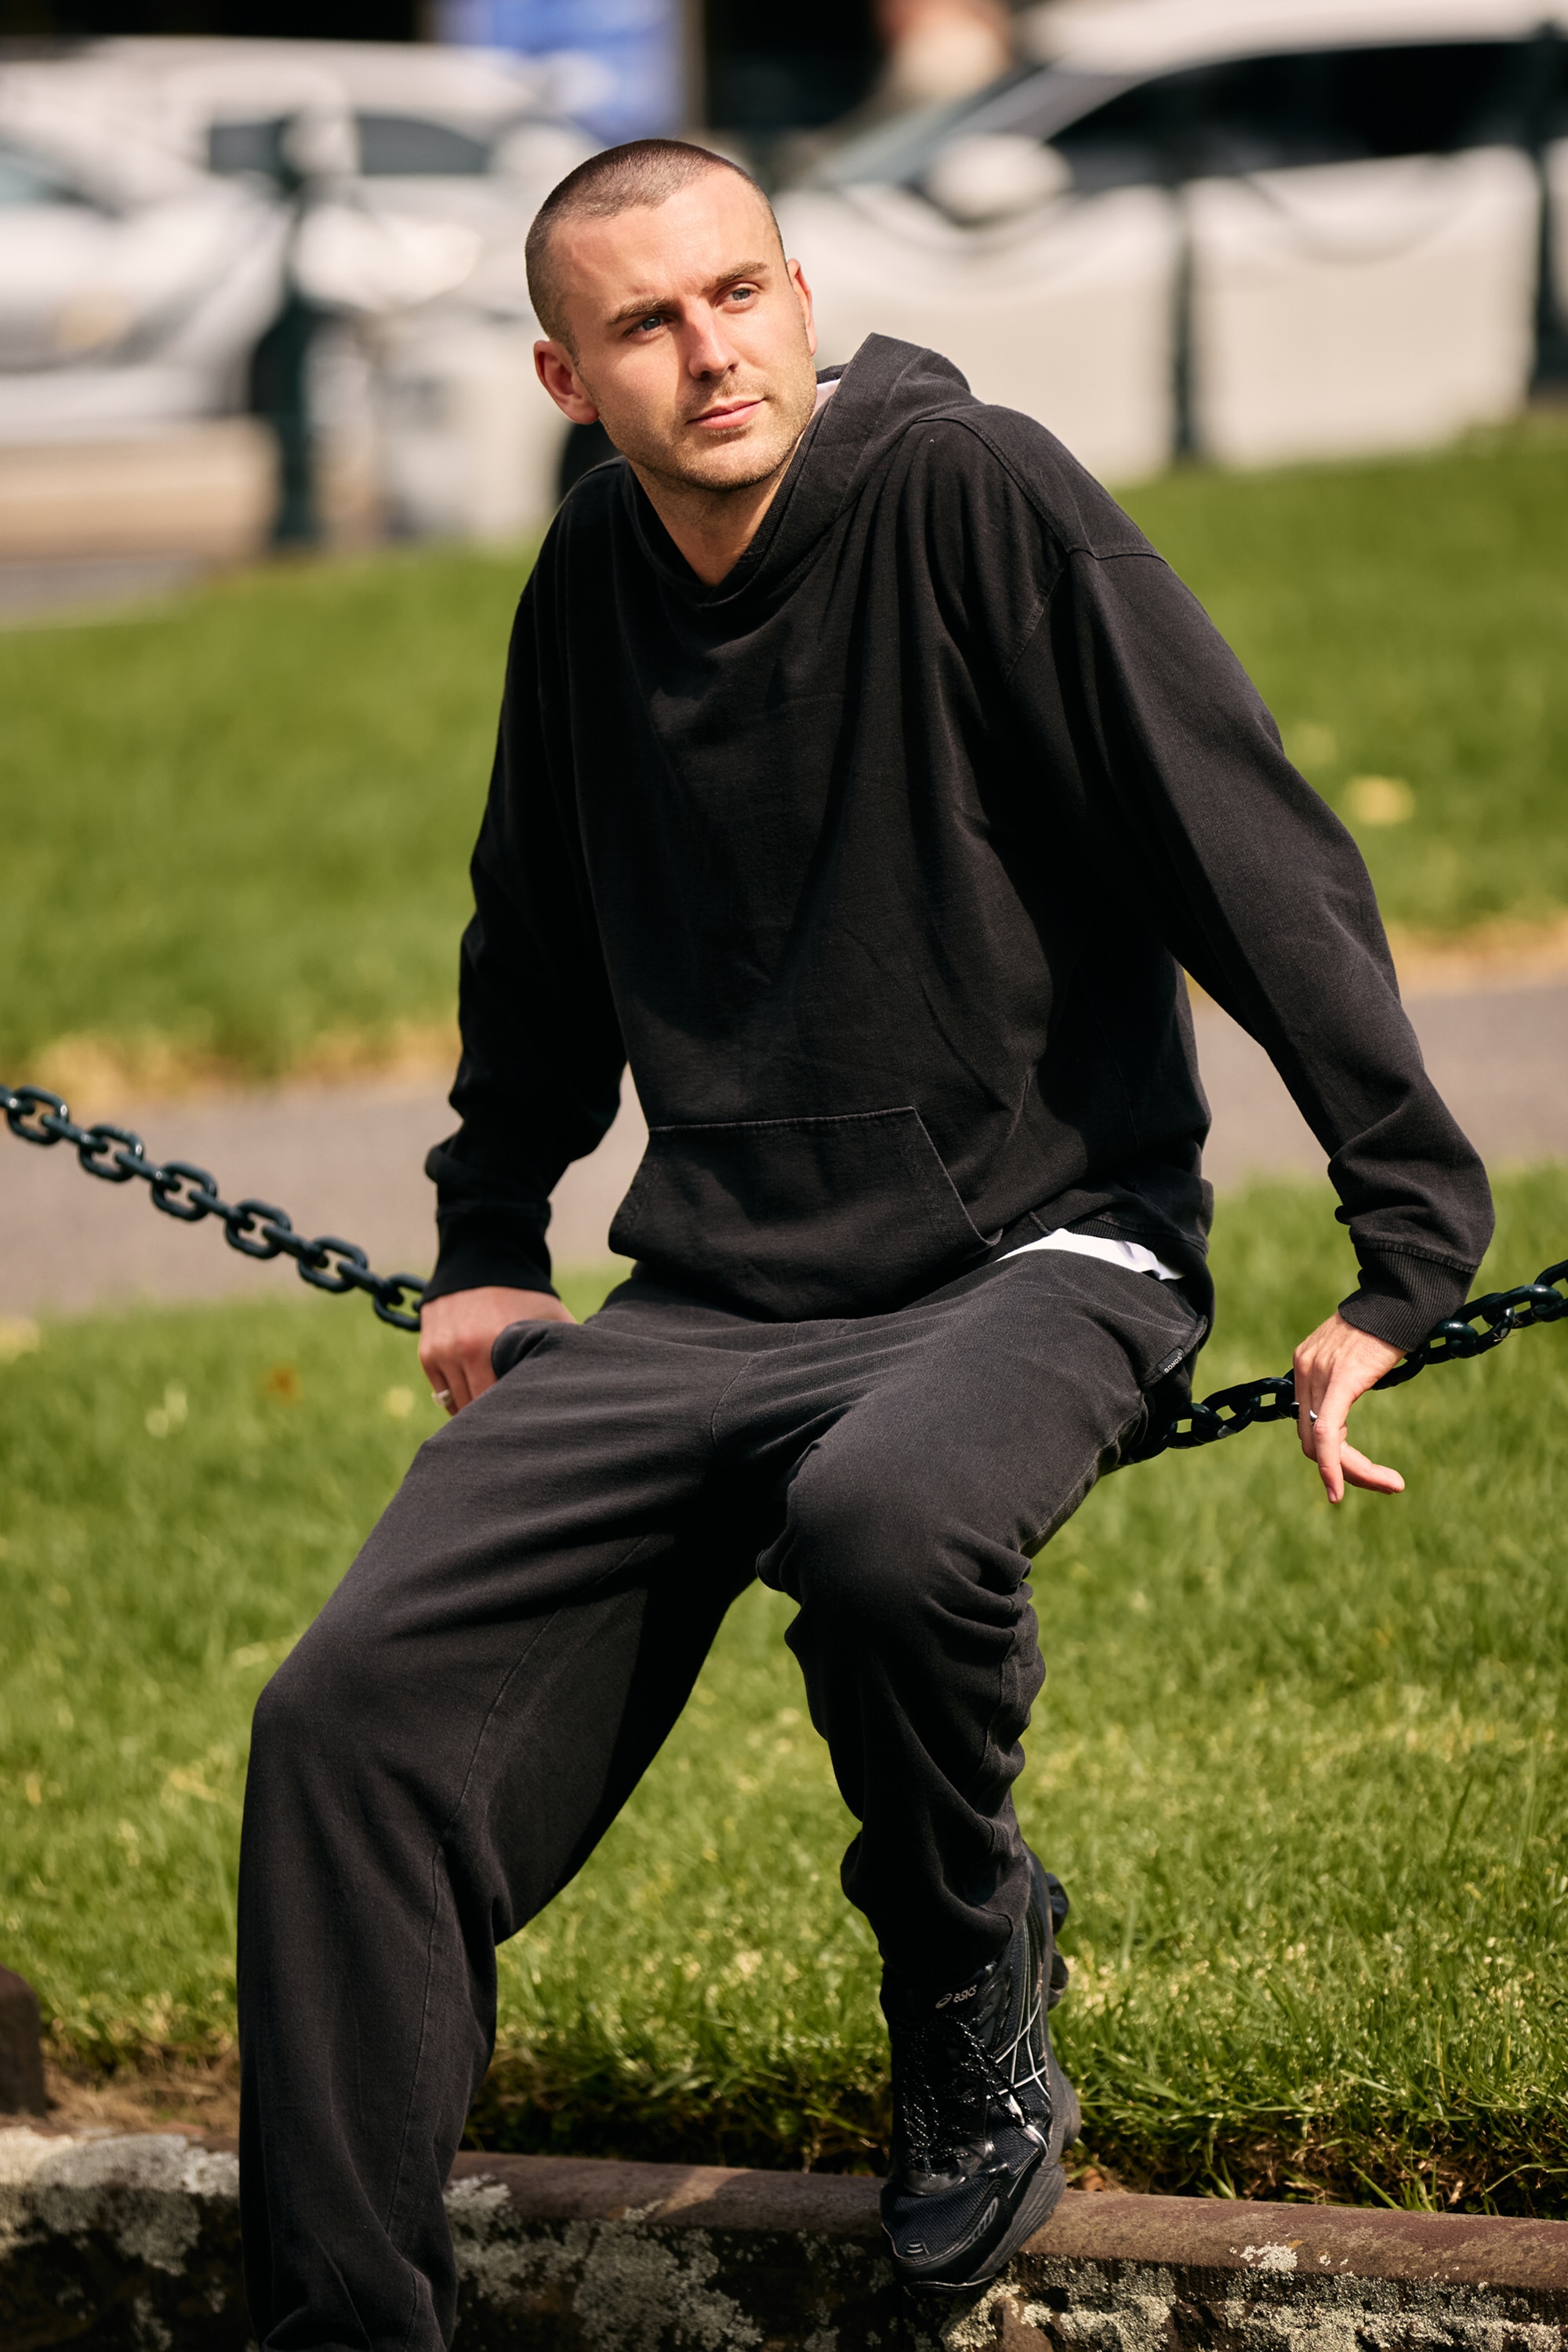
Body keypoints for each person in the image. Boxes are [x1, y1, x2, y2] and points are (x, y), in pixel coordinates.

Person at [236, 139, 1493, 2344]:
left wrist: (1406, 1246)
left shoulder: (973, 495)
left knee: (888, 1521)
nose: (711, 351)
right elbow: (537, 931)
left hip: (1049, 1250)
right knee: (345, 1726)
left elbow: (1247, 843)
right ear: (564, 378)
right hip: (713, 1291)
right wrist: (489, 1233)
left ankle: (968, 1983)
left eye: (739, 293)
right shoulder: (590, 578)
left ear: (802, 293)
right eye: (646, 323)